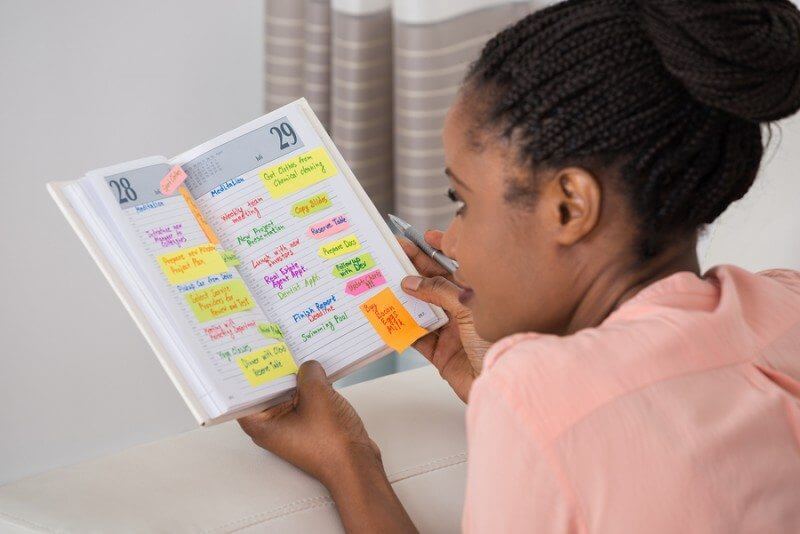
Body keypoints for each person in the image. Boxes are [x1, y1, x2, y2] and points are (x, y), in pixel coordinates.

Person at [239, 0, 800, 531]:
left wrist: (347, 460)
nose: (450, 239)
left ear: (570, 207)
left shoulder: (532, 394)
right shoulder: (785, 300)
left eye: (463, 201)